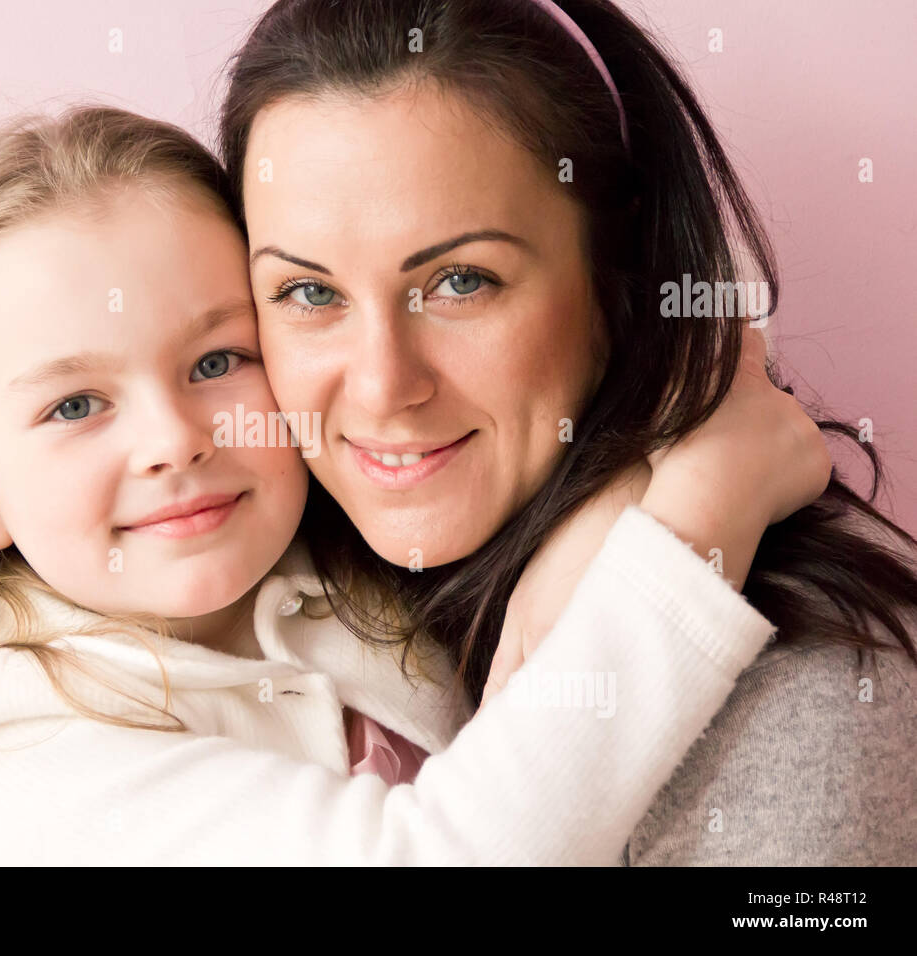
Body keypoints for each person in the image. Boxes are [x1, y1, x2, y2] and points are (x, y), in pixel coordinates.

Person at [0, 104, 829, 865]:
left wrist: (607, 506)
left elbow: (666, 316)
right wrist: (698, 512)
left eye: (218, 360)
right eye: (72, 406)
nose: (172, 441)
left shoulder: (343, 561)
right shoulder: (5, 748)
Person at [219, 0, 917, 864]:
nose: (382, 386)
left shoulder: (806, 687)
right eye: (310, 293)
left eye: (461, 281)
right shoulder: (223, 589)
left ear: (614, 279)